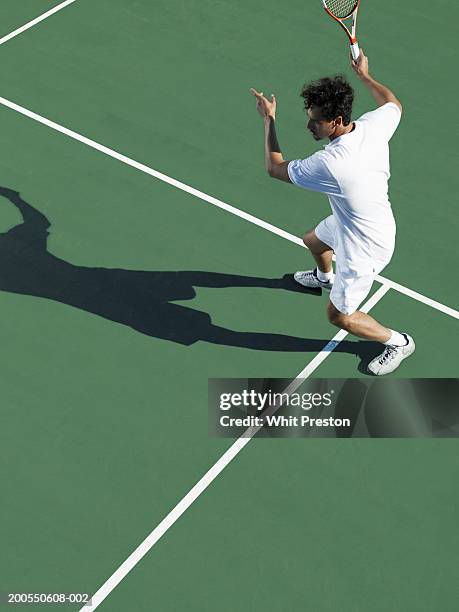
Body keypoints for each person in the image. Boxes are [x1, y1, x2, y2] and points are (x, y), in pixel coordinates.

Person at [250, 49, 415, 375]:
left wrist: (269, 119)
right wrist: (365, 76)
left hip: (364, 247)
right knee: (313, 240)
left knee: (339, 316)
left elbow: (275, 168)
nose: (309, 125)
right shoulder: (372, 126)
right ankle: (324, 278)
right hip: (360, 221)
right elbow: (394, 103)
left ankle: (398, 342)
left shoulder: (331, 163)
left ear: (337, 121)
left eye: (316, 120)